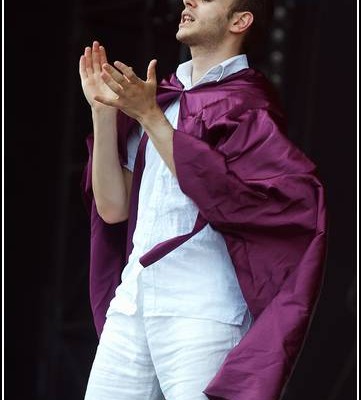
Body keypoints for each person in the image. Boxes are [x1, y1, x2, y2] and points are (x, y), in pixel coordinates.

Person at [79, 0, 327, 399]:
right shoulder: (161, 98)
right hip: (133, 303)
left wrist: (151, 119)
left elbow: (230, 199)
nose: (188, 0)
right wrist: (103, 112)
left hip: (202, 309)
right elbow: (113, 208)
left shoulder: (249, 105)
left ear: (240, 21)